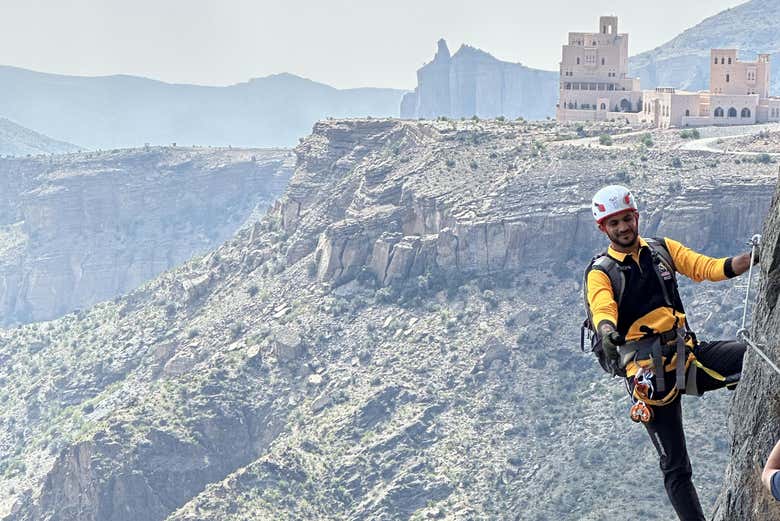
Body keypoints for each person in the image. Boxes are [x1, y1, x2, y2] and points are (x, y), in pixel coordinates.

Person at [586, 185, 756, 521]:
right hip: (648, 376)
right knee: (676, 466)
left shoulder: (662, 249)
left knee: (751, 357)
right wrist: (607, 331)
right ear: (602, 228)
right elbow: (601, 307)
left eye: (627, 219)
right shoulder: (601, 272)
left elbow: (705, 267)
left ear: (636, 216)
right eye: (614, 223)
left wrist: (751, 260)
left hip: (687, 354)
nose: (623, 228)